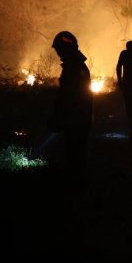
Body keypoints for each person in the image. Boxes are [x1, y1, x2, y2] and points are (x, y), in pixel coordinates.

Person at [49, 31, 93, 186]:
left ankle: (76, 189)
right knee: (75, 154)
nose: (58, 54)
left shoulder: (74, 67)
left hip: (75, 118)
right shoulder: (75, 65)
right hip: (78, 118)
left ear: (66, 48)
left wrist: (61, 116)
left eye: (59, 50)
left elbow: (70, 95)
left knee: (75, 154)